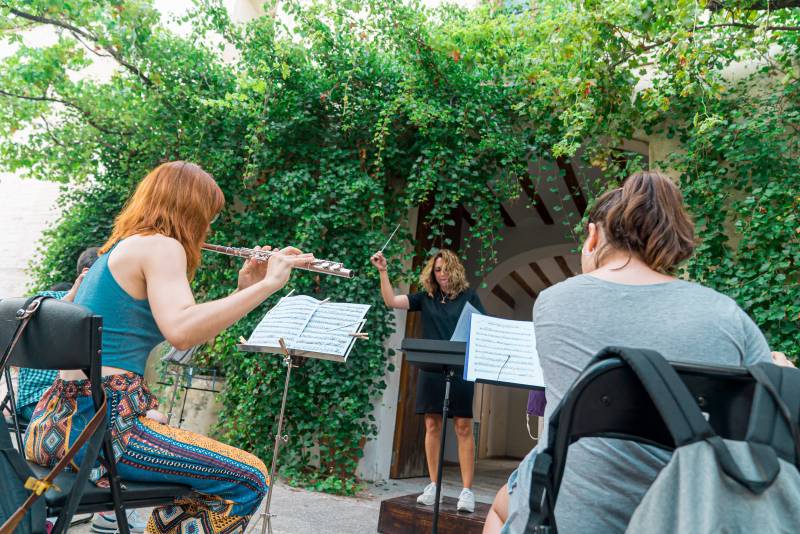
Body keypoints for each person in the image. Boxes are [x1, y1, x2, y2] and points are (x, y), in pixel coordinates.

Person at [485, 171, 786, 533]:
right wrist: (783, 371)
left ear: (593, 237)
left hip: (568, 521)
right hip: (688, 516)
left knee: (501, 507)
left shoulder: (553, 303)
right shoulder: (727, 314)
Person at [24, 161, 313, 534]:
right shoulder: (162, 246)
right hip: (105, 430)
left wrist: (245, 291)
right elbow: (181, 332)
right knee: (250, 478)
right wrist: (269, 284)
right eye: (208, 216)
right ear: (190, 211)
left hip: (54, 425)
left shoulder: (122, 249)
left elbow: (190, 328)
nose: (208, 228)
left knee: (204, 483)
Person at [371, 248, 485, 513]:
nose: (442, 273)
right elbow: (390, 301)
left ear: (455, 269)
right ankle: (434, 485)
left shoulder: (469, 297)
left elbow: (483, 325)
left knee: (463, 427)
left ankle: (467, 492)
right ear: (431, 273)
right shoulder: (426, 297)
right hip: (432, 367)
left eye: (446, 268)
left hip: (460, 368)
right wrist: (383, 271)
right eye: (437, 269)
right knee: (431, 424)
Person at [15, 246, 98, 423]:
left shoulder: (101, 310)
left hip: (80, 400)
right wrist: (73, 296)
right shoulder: (47, 299)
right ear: (87, 273)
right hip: (38, 400)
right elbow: (39, 323)